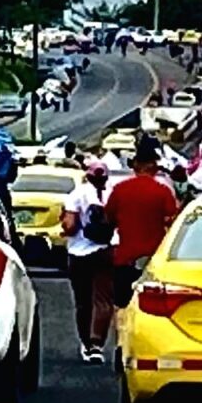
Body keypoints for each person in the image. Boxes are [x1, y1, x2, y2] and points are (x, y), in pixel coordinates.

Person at [107, 147, 179, 308]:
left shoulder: (120, 190)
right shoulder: (163, 191)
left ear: (135, 166)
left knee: (121, 307)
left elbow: (108, 218)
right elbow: (173, 223)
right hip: (153, 261)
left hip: (125, 259)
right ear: (152, 166)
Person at [60, 162, 114, 364]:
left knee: (83, 302)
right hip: (105, 252)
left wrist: (64, 227)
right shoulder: (112, 194)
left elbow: (71, 226)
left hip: (78, 253)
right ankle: (97, 344)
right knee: (103, 300)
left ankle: (85, 343)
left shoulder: (76, 194)